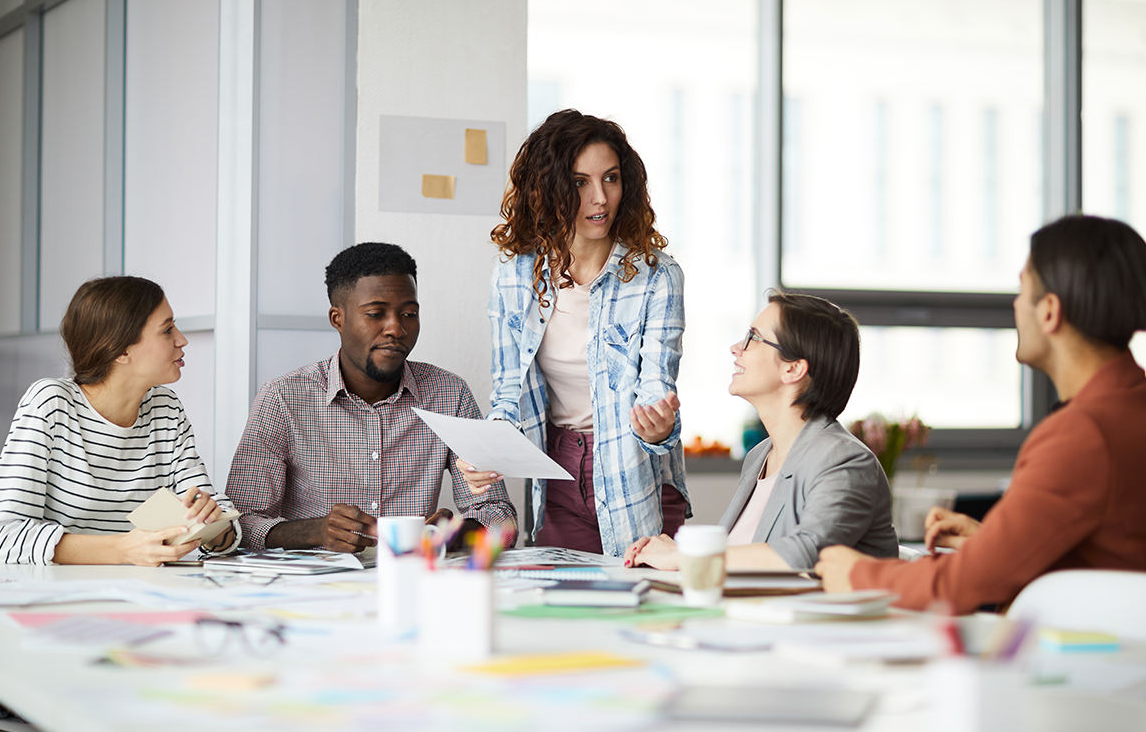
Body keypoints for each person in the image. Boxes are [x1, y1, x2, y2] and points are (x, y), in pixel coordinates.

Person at [816, 215, 1146, 614]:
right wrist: (992, 543)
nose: (1014, 304)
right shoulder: (1129, 405)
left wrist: (857, 575)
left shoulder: (1082, 434)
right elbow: (1110, 553)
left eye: (1022, 289)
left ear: (1049, 312)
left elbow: (960, 587)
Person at [456, 109, 688, 557]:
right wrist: (488, 450)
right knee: (565, 611)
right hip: (559, 467)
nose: (600, 198)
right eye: (580, 182)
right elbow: (509, 394)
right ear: (550, 190)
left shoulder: (658, 277)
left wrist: (658, 429)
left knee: (643, 612)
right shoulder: (514, 274)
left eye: (611, 178)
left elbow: (657, 390)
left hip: (634, 469)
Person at [225, 242, 517, 553]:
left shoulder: (449, 393)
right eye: (376, 314)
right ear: (338, 318)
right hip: (315, 591)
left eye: (409, 313)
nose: (397, 328)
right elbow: (238, 524)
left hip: (410, 582)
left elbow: (499, 515)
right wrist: (315, 531)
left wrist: (448, 535)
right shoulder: (283, 399)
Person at [626, 292, 898, 571]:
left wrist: (683, 558)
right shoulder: (760, 456)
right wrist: (678, 551)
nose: (735, 348)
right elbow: (739, 554)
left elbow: (807, 554)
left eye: (752, 338)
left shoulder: (846, 460)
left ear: (793, 369)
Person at [0, 276, 237, 566]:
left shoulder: (166, 408)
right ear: (120, 351)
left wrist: (212, 524)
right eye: (167, 330)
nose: (182, 339)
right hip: (62, 596)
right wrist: (122, 549)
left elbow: (222, 530)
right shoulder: (51, 402)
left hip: (149, 593)